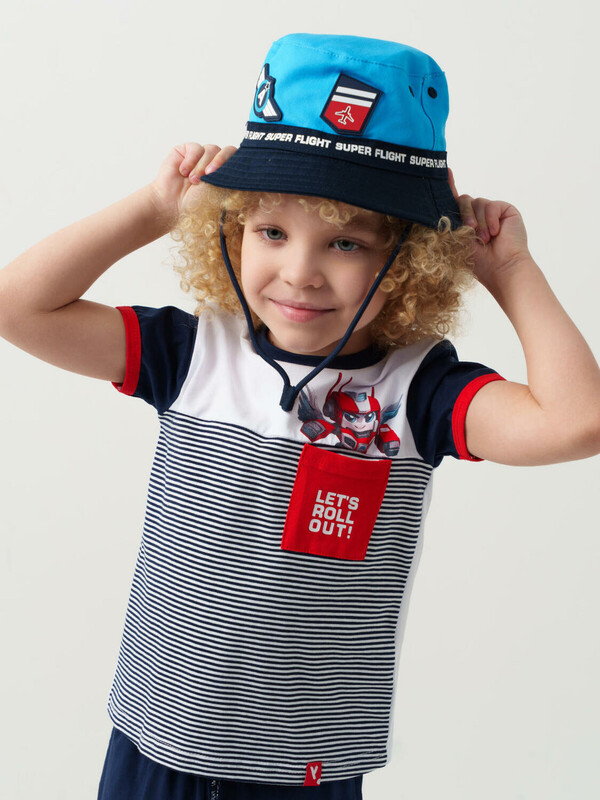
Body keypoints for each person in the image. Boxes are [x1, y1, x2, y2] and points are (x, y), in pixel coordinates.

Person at [0, 32, 599, 800]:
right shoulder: (191, 354)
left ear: (407, 262)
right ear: (232, 229)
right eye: (272, 232)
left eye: (345, 243)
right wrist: (151, 209)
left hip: (303, 768)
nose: (300, 272)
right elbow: (19, 307)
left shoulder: (419, 391)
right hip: (158, 741)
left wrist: (510, 269)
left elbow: (576, 421)